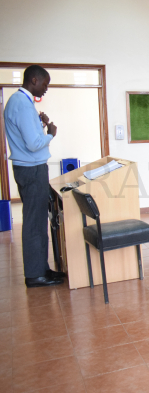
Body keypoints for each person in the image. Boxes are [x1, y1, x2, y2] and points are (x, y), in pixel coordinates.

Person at [4, 65, 64, 287]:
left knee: (39, 220)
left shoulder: (20, 102)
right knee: (34, 223)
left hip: (30, 168)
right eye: (45, 84)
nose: (46, 88)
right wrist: (50, 134)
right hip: (32, 169)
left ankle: (41, 269)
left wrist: (41, 124)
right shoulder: (21, 103)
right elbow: (33, 144)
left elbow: (27, 136)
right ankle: (35, 275)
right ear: (34, 80)